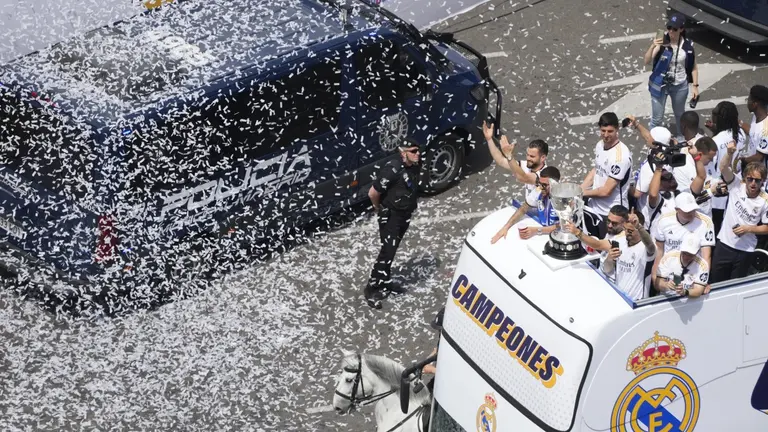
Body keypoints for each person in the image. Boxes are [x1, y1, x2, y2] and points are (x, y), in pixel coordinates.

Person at [365, 141, 421, 309]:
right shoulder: (393, 169)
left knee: (392, 250)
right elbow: (373, 192)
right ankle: (372, 287)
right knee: (387, 252)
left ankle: (385, 281)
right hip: (391, 217)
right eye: (413, 151)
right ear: (403, 153)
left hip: (404, 214)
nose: (418, 153)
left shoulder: (414, 165)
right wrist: (378, 209)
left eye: (418, 150)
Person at [710, 142, 768, 282]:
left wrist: (748, 229)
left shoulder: (765, 201)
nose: (753, 183)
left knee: (735, 288)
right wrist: (729, 153)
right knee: (715, 284)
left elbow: (766, 227)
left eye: (757, 180)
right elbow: (723, 168)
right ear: (745, 178)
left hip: (745, 250)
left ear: (763, 181)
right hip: (724, 245)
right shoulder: (736, 185)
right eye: (750, 179)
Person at [644, 13, 699, 138]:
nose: (670, 31)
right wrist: (654, 45)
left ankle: (680, 137)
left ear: (681, 29)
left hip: (679, 85)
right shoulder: (662, 42)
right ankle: (653, 142)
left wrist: (695, 86)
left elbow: (694, 67)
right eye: (669, 28)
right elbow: (647, 61)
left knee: (680, 115)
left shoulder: (687, 46)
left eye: (674, 29)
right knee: (657, 118)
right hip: (660, 84)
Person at [581, 113, 633, 238]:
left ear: (617, 130)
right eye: (603, 131)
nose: (605, 135)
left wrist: (581, 193)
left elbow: (606, 191)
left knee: (608, 250)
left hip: (611, 213)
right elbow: (596, 169)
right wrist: (581, 187)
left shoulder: (621, 157)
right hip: (593, 207)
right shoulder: (600, 145)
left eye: (610, 131)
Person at [651, 192, 716, 282]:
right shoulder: (663, 220)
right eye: (687, 211)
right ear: (677, 209)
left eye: (693, 210)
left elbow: (706, 256)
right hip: (669, 270)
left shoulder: (705, 222)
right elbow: (659, 250)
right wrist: (655, 275)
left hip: (693, 272)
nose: (691, 213)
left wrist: (704, 281)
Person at [706, 101, 747, 235]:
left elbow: (711, 163)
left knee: (717, 225)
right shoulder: (740, 133)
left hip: (719, 190)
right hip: (736, 183)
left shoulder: (716, 141)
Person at [491, 167, 562, 243]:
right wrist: (506, 227)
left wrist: (536, 230)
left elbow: (564, 226)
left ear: (555, 184)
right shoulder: (539, 190)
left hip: (558, 238)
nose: (541, 187)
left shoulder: (564, 198)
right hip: (543, 235)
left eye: (544, 185)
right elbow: (523, 209)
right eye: (540, 183)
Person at [601, 209, 657, 301]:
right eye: (626, 229)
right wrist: (609, 259)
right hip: (619, 298)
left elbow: (650, 245)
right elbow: (607, 270)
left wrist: (638, 226)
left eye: (631, 231)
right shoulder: (620, 241)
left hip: (637, 302)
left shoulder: (645, 248)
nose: (627, 233)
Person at [483, 121, 547, 200]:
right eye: (527, 155)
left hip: (541, 211)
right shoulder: (527, 165)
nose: (528, 158)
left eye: (532, 156)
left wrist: (509, 156)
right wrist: (489, 139)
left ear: (543, 158)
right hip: (530, 208)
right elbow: (501, 160)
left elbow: (523, 178)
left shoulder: (544, 174)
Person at [654, 233, 709, 298]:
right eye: (684, 253)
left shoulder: (703, 266)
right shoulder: (668, 258)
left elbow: (698, 290)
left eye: (690, 255)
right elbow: (657, 284)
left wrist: (684, 292)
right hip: (667, 298)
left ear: (697, 252)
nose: (686, 257)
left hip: (688, 300)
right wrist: (666, 285)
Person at [737, 85, 768, 177]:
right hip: (753, 168)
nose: (747, 102)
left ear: (755, 104)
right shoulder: (757, 116)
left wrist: (742, 160)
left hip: (761, 175)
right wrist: (739, 123)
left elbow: (759, 157)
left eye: (748, 99)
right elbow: (753, 132)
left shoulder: (766, 129)